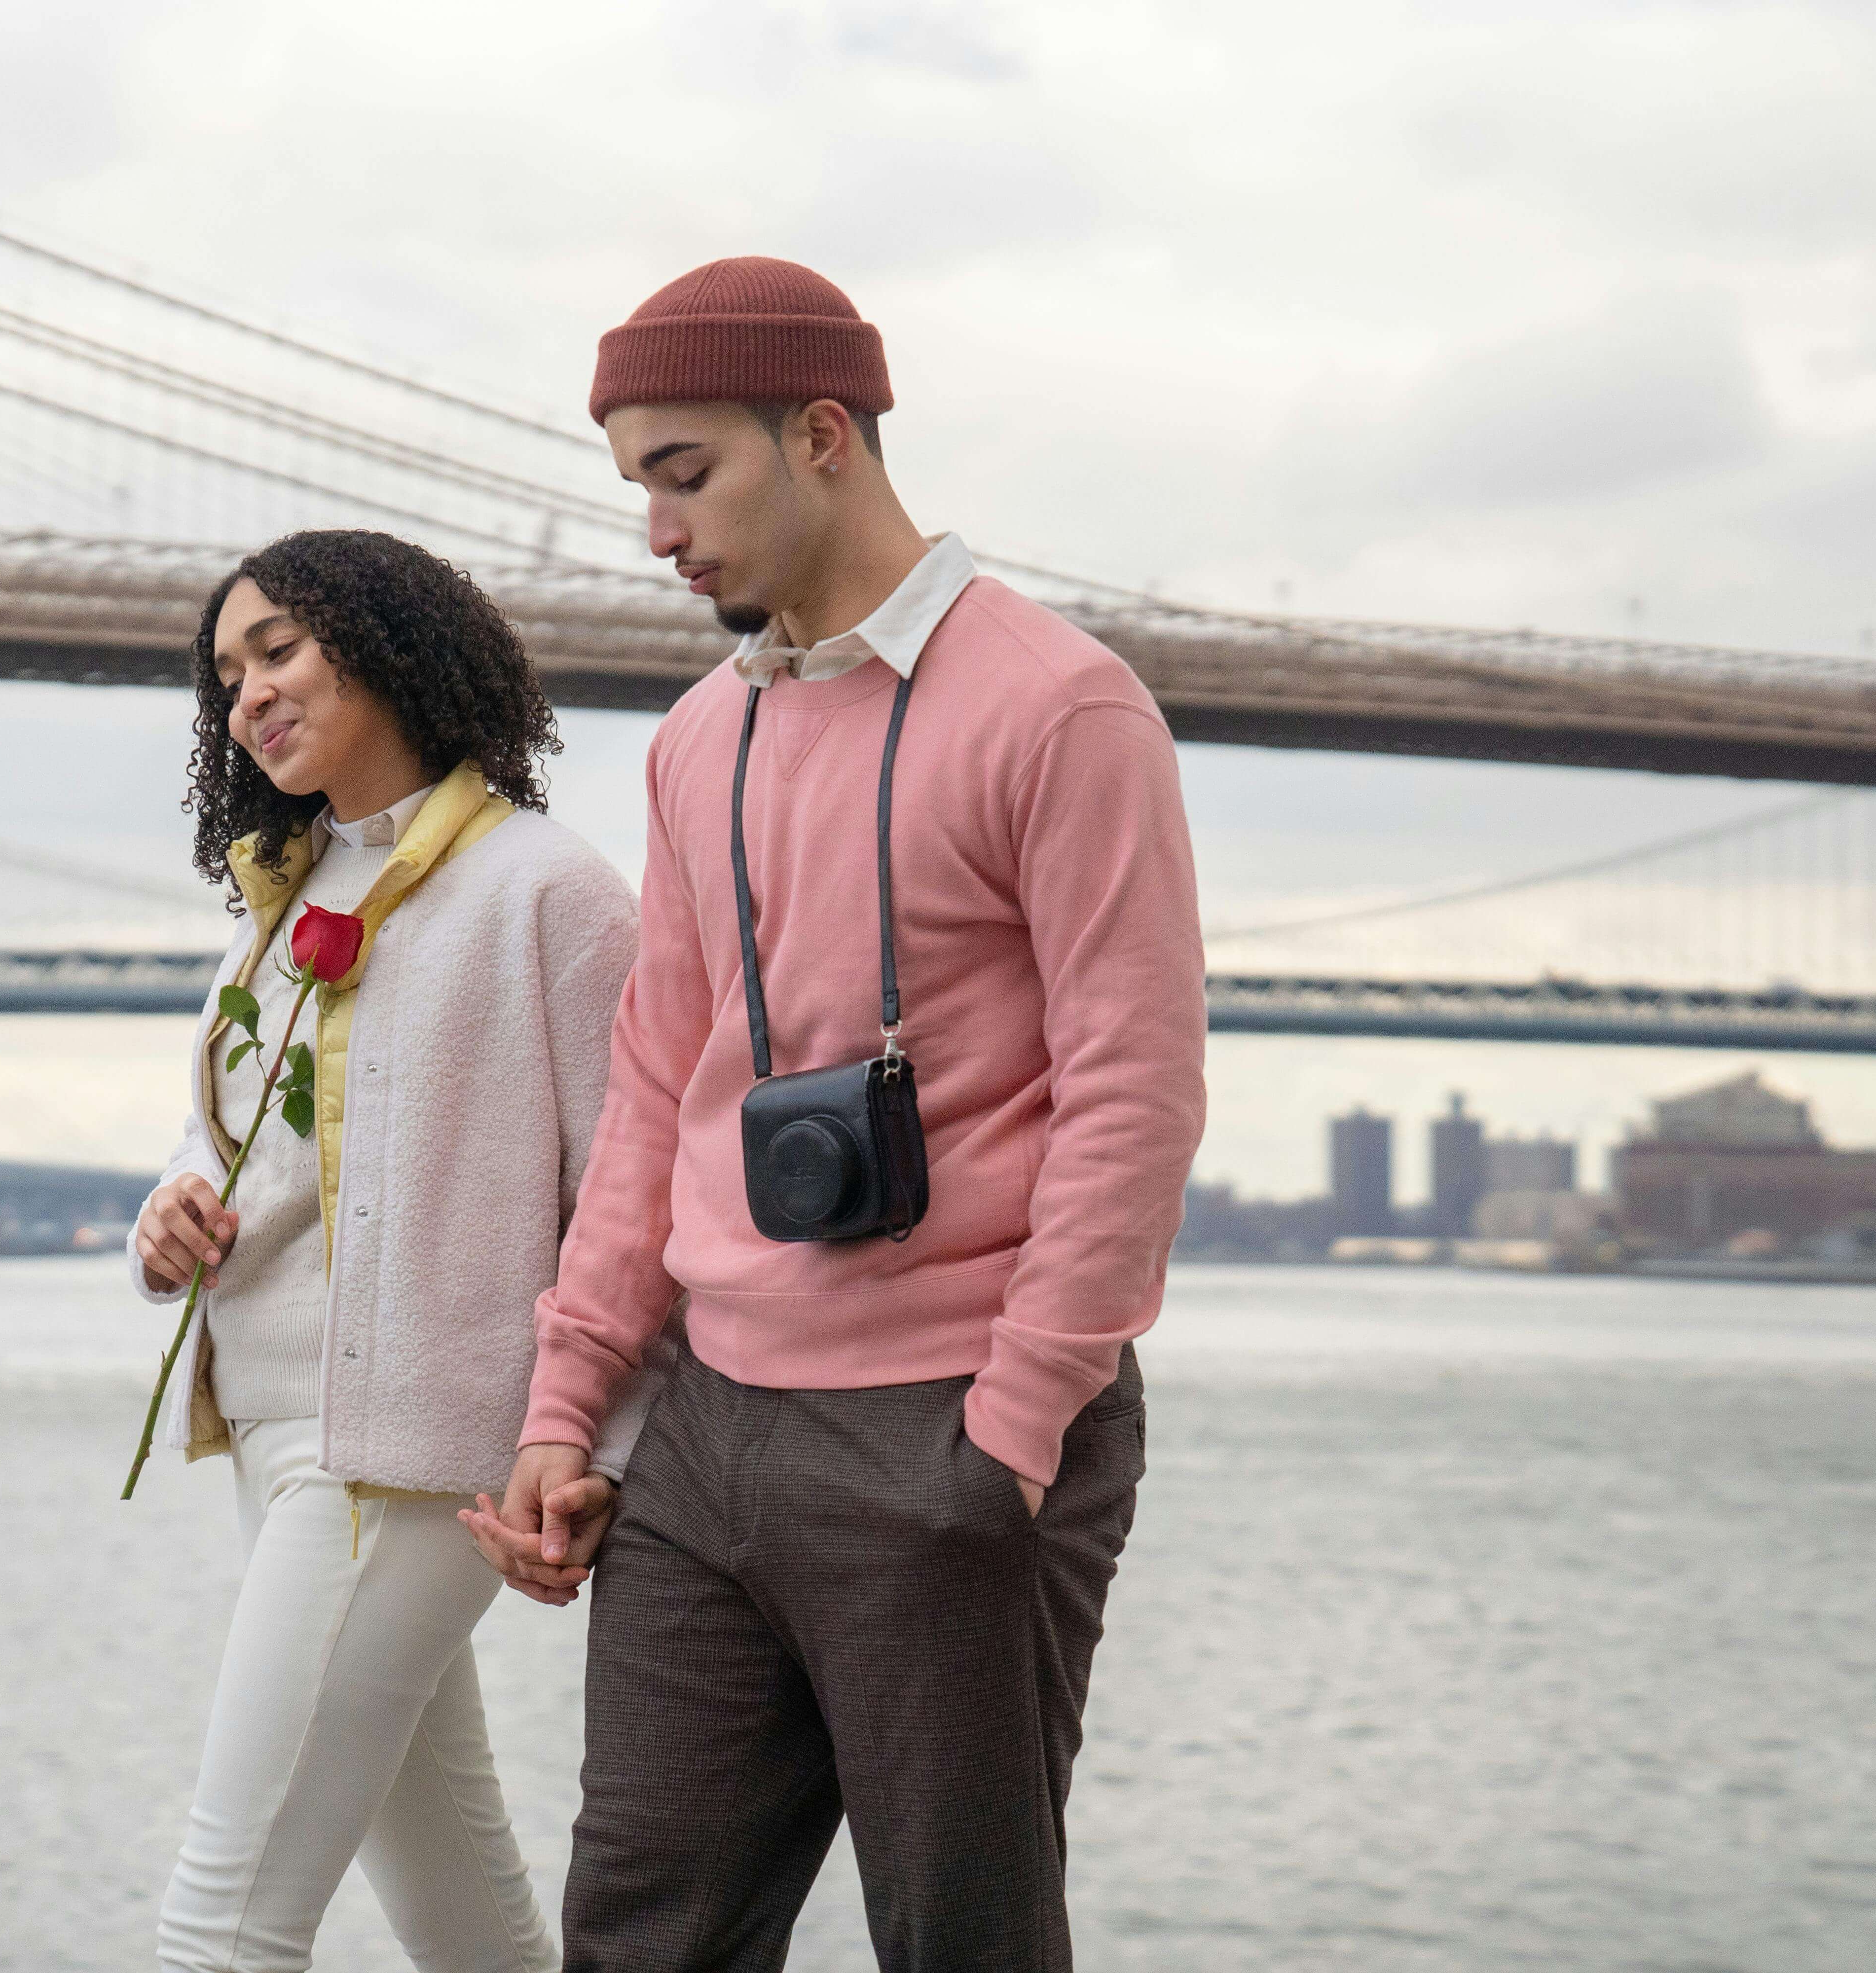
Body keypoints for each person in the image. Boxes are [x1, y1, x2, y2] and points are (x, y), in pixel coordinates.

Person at [462, 257, 1208, 1970]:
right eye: (635, 483)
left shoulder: (1060, 706)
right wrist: (574, 1398)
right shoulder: (697, 741)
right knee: (639, 1939)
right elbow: (662, 1088)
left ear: (820, 436)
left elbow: (1135, 1091)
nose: (657, 531)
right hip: (709, 1434)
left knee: (962, 1943)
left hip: (950, 1428)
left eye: (686, 473)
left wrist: (1011, 1432)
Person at [132, 528, 645, 1973]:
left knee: (223, 1922)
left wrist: (604, 1435)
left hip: (412, 1451)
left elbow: (634, 1190)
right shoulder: (280, 902)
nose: (247, 695)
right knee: (460, 1910)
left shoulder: (551, 891)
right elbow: (221, 1136)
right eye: (226, 675)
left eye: (279, 649)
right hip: (278, 1426)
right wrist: (170, 1211)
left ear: (390, 642)